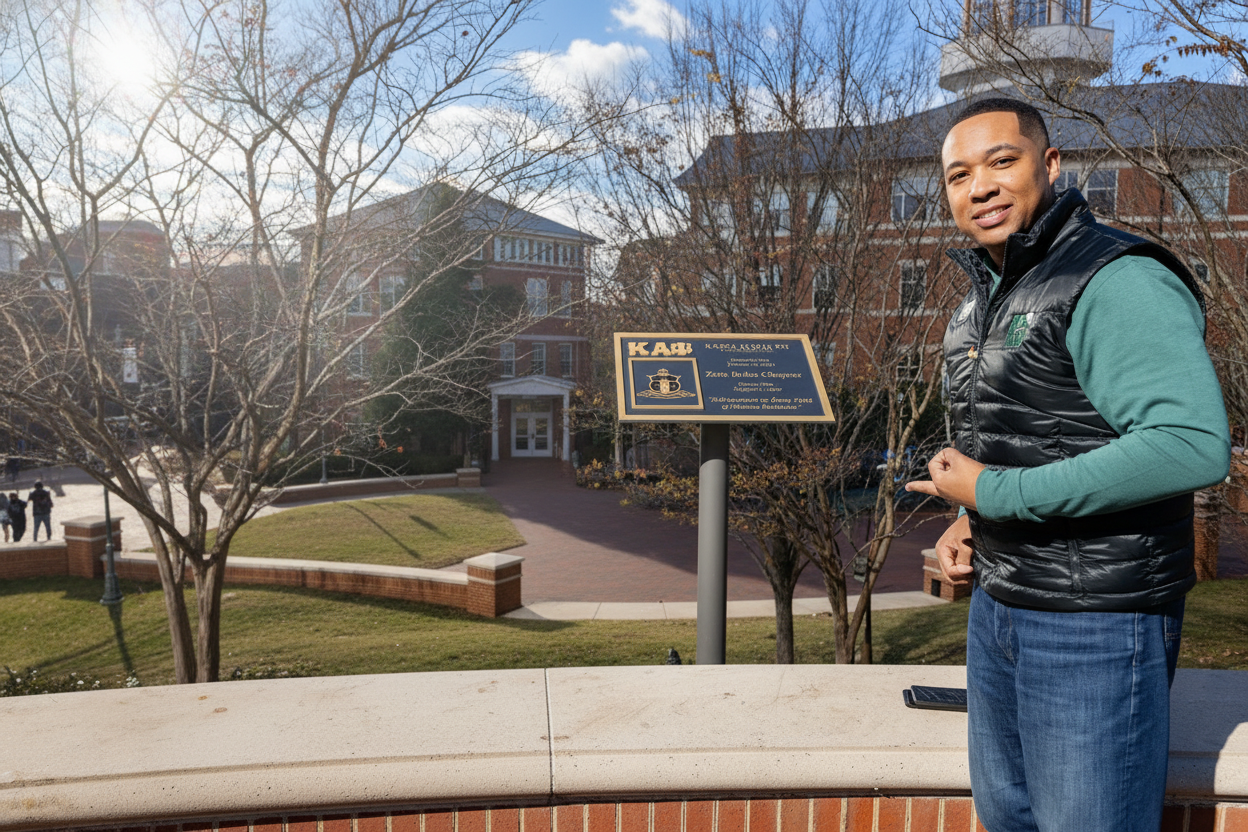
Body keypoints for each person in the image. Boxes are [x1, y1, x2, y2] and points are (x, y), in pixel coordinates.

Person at [906, 98, 1230, 832]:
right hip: (999, 609)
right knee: (1009, 819)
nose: (980, 187)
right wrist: (970, 519)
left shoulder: (1114, 275)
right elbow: (1031, 431)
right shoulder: (984, 298)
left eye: (1001, 161)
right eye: (959, 175)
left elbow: (1189, 442)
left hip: (1096, 624)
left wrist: (994, 492)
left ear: (1050, 165)